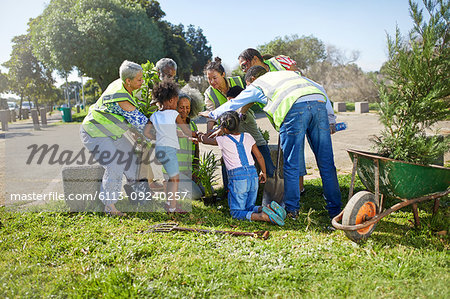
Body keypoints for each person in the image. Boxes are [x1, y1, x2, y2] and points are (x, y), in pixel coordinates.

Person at [201, 66, 342, 221]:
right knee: (326, 163)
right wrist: (331, 120)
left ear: (252, 80)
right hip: (318, 104)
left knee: (291, 164)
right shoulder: (288, 75)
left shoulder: (257, 84)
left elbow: (235, 102)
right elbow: (319, 88)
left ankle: (292, 211)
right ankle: (335, 211)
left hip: (294, 109)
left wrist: (213, 114)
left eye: (248, 86)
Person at [80, 60, 153, 216]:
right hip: (94, 132)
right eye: (139, 80)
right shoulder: (122, 98)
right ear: (128, 81)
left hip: (112, 132)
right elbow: (143, 124)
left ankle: (138, 198)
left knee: (133, 160)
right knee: (115, 165)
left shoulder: (121, 83)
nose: (142, 82)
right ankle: (109, 207)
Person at [197, 111, 286, 225]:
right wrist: (263, 172)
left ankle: (262, 216)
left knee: (236, 212)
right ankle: (268, 208)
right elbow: (259, 156)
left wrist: (199, 135)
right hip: (253, 175)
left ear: (223, 128)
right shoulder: (248, 136)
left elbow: (205, 140)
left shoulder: (222, 140)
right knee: (249, 206)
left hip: (238, 179)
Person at [238, 48, 306, 195]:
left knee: (296, 150)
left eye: (244, 65)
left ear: (255, 59)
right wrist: (241, 112)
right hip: (282, 118)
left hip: (299, 108)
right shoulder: (254, 78)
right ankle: (293, 188)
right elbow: (251, 98)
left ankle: (299, 189)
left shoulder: (279, 61)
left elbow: (300, 75)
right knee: (288, 151)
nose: (244, 70)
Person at [204, 57, 276, 194]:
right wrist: (210, 132)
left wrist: (241, 111)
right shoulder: (209, 93)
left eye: (215, 78)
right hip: (230, 132)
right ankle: (230, 191)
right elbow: (211, 115)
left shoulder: (237, 81)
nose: (212, 82)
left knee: (265, 164)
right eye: (209, 79)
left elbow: (252, 96)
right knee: (228, 162)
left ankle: (270, 192)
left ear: (223, 74)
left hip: (246, 125)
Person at [145, 80, 197, 213]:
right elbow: (186, 130)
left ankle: (169, 203)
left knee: (170, 178)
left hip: (160, 150)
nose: (176, 104)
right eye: (175, 101)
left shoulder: (154, 115)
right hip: (169, 150)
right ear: (170, 100)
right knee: (175, 179)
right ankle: (172, 208)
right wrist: (197, 135)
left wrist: (157, 137)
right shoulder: (174, 114)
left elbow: (146, 132)